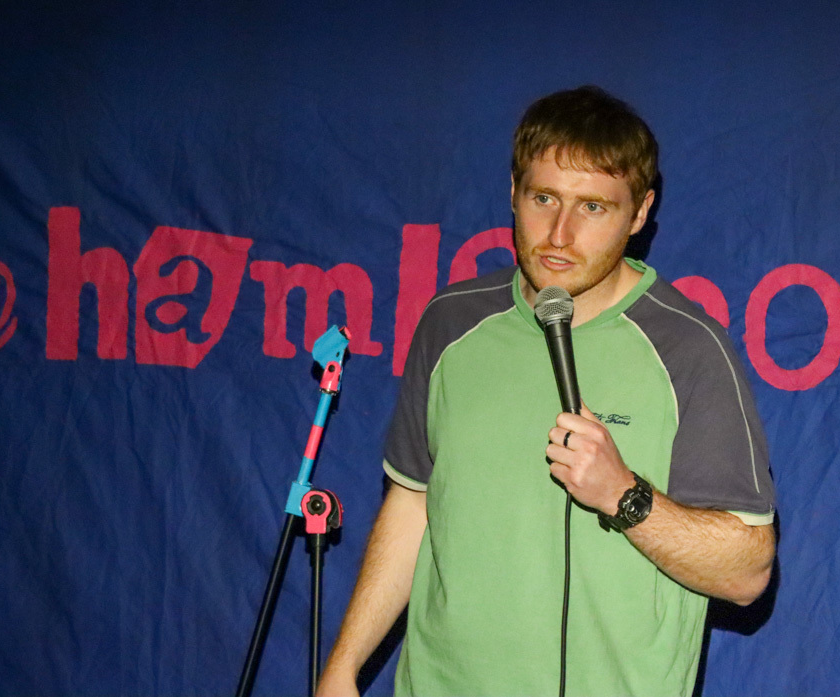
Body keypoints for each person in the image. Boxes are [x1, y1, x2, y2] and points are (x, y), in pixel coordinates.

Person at [315, 85, 776, 697]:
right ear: (513, 191)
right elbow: (413, 505)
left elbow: (747, 572)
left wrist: (622, 494)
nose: (559, 234)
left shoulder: (690, 349)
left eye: (593, 207)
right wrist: (343, 666)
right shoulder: (451, 323)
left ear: (640, 213)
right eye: (544, 198)